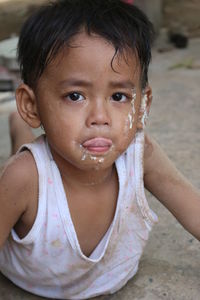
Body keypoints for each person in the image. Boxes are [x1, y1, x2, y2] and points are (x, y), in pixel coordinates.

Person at [0, 0, 200, 299]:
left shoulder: (140, 155)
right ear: (32, 105)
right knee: (27, 158)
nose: (100, 117)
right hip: (33, 282)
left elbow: (192, 206)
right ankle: (21, 128)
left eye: (118, 96)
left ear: (142, 105)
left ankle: (22, 129)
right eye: (75, 95)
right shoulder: (22, 178)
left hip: (113, 277)